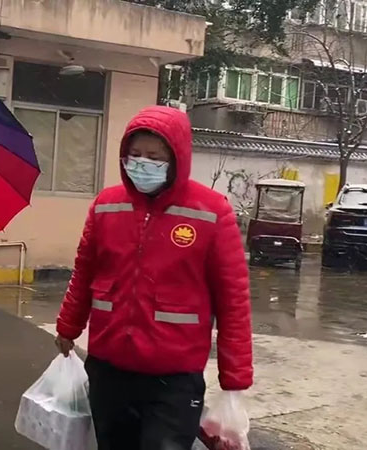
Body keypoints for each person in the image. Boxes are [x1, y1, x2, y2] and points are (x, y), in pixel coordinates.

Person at [54, 106, 253, 450]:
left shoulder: (210, 212)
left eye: (154, 156)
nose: (142, 163)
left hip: (173, 379)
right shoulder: (106, 206)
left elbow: (233, 300)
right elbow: (84, 272)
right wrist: (67, 327)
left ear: (177, 159)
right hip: (109, 368)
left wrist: (234, 379)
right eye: (135, 154)